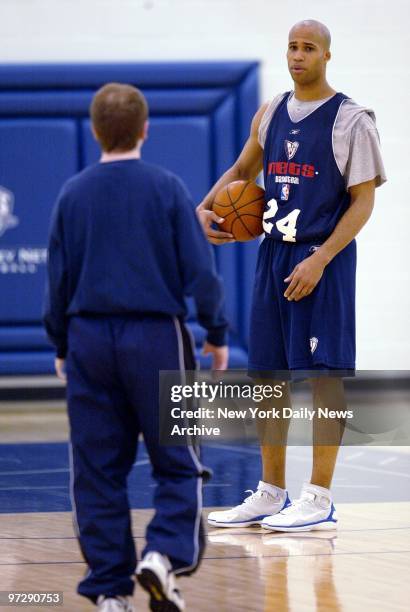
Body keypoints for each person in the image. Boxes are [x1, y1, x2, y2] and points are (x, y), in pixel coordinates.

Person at [44, 83, 229, 612]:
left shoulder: (72, 194)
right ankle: (164, 557)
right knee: (177, 460)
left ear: (95, 130)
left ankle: (108, 591)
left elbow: (57, 280)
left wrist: (61, 342)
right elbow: (201, 273)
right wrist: (216, 334)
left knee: (97, 470)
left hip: (87, 339)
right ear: (145, 129)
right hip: (156, 339)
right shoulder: (167, 188)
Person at [198, 20, 386, 531]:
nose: (298, 56)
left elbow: (364, 201)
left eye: (308, 48)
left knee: (325, 376)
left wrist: (321, 257)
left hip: (322, 259)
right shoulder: (271, 111)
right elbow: (242, 172)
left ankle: (319, 496)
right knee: (267, 377)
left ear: (327, 56)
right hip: (274, 256)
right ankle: (270, 491)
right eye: (292, 47)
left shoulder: (351, 120)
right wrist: (205, 207)